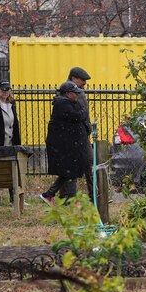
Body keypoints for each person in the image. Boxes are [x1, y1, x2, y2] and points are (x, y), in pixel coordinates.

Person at [42, 66, 92, 204]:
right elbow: (78, 115)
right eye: (82, 80)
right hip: (69, 142)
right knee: (70, 170)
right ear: (74, 79)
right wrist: (82, 115)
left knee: (77, 169)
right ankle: (69, 198)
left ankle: (60, 196)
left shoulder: (73, 93)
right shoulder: (63, 99)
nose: (84, 83)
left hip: (77, 138)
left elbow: (80, 115)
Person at [0, 80, 21, 205]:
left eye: (7, 89)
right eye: (3, 90)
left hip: (10, 141)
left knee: (12, 170)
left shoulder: (12, 103)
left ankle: (13, 197)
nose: (5, 92)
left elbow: (14, 123)